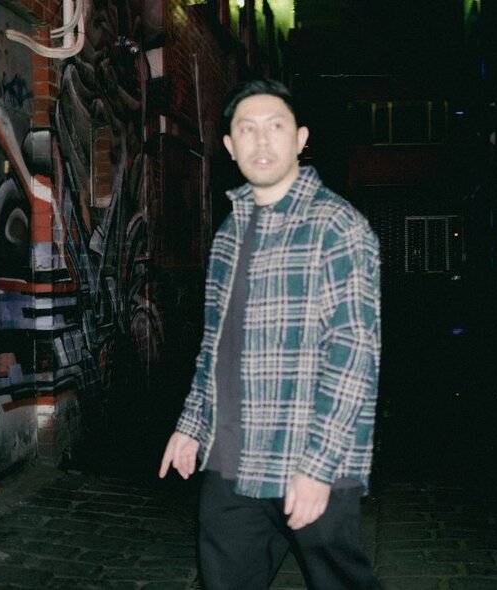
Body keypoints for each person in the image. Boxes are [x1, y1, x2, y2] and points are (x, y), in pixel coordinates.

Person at [159, 78, 382, 589]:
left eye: (275, 127)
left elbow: (354, 355)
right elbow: (214, 344)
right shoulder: (227, 235)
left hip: (307, 458)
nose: (262, 141)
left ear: (301, 139)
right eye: (248, 129)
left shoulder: (338, 226)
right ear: (231, 147)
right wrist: (191, 425)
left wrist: (319, 467)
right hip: (231, 460)